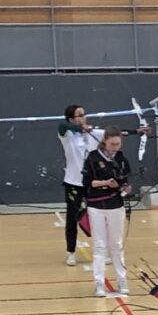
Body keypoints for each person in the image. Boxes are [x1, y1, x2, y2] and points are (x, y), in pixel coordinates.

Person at [80, 127, 133, 298]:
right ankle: (99, 283)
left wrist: (126, 188)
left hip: (116, 205)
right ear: (104, 141)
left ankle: (122, 280)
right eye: (112, 144)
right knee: (100, 246)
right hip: (96, 205)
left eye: (118, 144)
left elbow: (125, 181)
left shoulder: (121, 159)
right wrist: (104, 183)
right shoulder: (93, 157)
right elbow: (87, 182)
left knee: (116, 244)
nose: (115, 147)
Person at [59, 101, 93, 266]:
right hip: (73, 183)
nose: (83, 117)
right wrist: (80, 128)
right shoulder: (67, 134)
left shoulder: (91, 132)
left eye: (84, 114)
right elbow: (62, 125)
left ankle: (102, 250)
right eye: (79, 115)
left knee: (98, 217)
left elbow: (111, 134)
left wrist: (137, 131)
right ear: (71, 119)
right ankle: (70, 252)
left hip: (91, 182)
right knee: (72, 218)